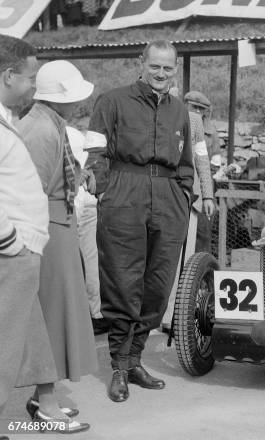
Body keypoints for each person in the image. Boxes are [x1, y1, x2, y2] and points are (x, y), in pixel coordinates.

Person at [84, 40, 194, 403]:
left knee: (157, 283)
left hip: (168, 197)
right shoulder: (112, 100)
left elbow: (186, 160)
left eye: (168, 68)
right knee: (122, 279)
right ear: (141, 63)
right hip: (124, 193)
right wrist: (103, 189)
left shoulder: (180, 110)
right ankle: (118, 366)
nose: (161, 74)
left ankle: (135, 360)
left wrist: (184, 193)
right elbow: (95, 149)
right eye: (155, 66)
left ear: (175, 70)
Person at [16, 60, 95, 433]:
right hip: (45, 228)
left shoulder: (47, 122)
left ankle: (43, 395)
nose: (80, 104)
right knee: (49, 315)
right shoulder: (41, 129)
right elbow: (29, 189)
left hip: (55, 223)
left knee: (55, 312)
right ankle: (45, 401)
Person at [0, 34, 61, 434]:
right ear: (8, 76)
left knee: (23, 334)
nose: (34, 86)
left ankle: (45, 402)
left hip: (21, 249)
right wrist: (9, 240)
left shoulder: (5, 120)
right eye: (30, 77)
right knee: (4, 347)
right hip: (12, 251)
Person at [68, 126, 109, 335]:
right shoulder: (77, 134)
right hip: (89, 199)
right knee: (91, 260)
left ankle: (74, 315)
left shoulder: (51, 131)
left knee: (70, 263)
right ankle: (97, 314)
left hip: (71, 200)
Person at [183, 92, 216, 253]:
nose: (196, 111)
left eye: (200, 109)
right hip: (176, 189)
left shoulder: (207, 130)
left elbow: (204, 162)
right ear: (185, 105)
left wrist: (207, 195)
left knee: (202, 236)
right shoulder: (176, 120)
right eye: (193, 107)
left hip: (197, 190)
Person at [184, 90, 222, 157]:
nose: (197, 111)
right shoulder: (176, 126)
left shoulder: (212, 133)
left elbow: (215, 162)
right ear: (186, 106)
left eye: (201, 108)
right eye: (194, 107)